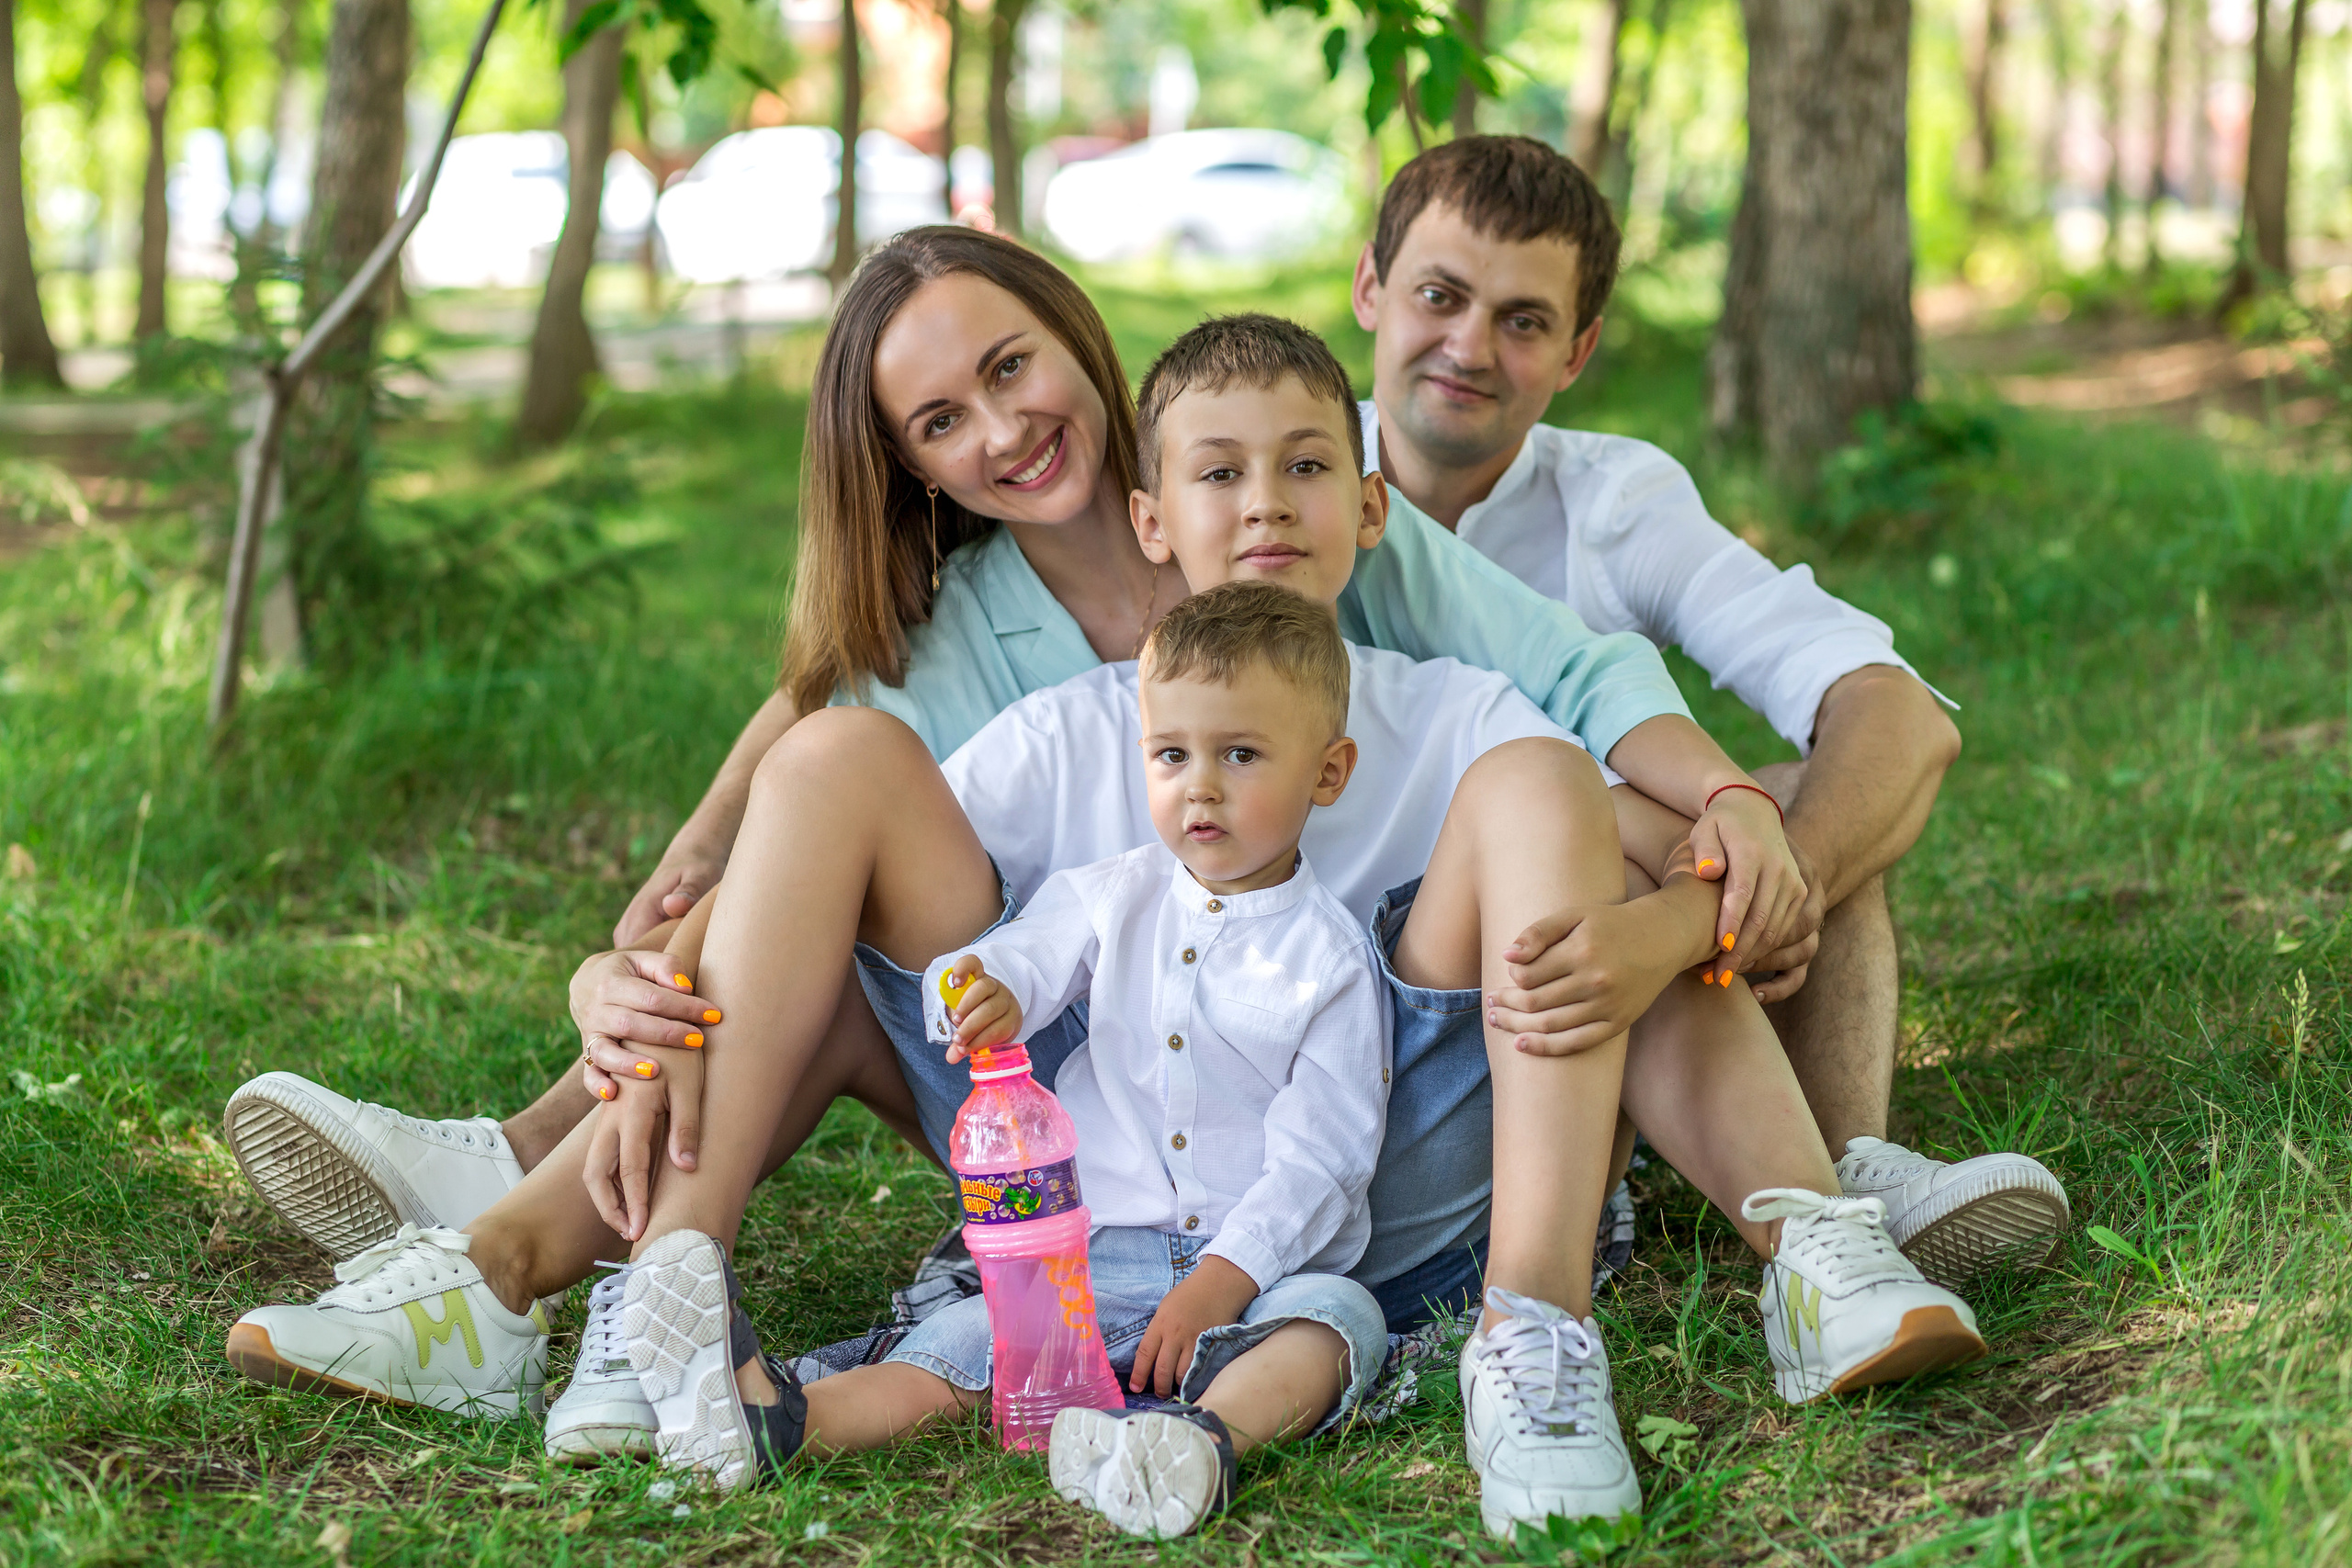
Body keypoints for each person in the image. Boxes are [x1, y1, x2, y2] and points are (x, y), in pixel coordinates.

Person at [223, 314, 1984, 1541]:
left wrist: (1684, 891)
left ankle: (1566, 1327)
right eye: (1220, 476)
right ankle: (634, 1285)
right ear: (1154, 518)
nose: (1268, 507)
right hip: (1108, 1186)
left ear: (1374, 507)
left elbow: (1615, 774)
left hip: (1416, 1162)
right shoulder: (1076, 733)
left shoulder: (1444, 698)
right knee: (835, 762)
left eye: (1310, 470)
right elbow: (807, 876)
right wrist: (632, 974)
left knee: (1537, 790)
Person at [218, 223, 1797, 1267]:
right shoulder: (964, 627)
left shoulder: (1277, 505)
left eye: (1009, 368)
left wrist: (1721, 796)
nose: (1000, 430)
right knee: (801, 915)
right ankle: (513, 1215)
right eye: (940, 425)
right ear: (909, 465)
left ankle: (496, 1203)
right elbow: (811, 841)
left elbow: (1573, 683)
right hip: (1074, 1062)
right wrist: (617, 1003)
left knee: (1589, 816)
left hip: (1322, 1026)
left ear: (1072, 334)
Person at [1348, 135, 2071, 1285]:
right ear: (1370, 290)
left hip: (1602, 948)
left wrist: (1704, 908)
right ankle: (1810, 1203)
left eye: (1525, 321)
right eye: (1439, 296)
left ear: (1579, 350)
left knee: (1782, 808)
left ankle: (1844, 1172)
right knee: (1619, 816)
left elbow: (1897, 714)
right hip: (1381, 987)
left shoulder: (1613, 501)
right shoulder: (1271, 479)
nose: (1470, 348)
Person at [624, 583, 1396, 1538]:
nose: (1200, 786)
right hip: (1087, 1254)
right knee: (961, 1345)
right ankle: (775, 1423)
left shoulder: (1330, 961)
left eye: (1240, 755)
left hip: (1254, 1274)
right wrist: (982, 986)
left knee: (1335, 1321)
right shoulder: (1113, 896)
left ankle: (1198, 1443)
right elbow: (1024, 956)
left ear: (1328, 772)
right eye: (1171, 755)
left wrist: (1225, 1280)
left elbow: (1325, 1155)